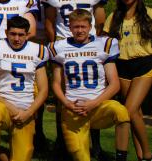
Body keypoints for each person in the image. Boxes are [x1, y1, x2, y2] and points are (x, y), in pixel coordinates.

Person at [50, 9, 130, 161]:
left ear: (90, 26)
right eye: (76, 27)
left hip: (98, 107)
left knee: (121, 112)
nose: (79, 30)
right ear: (70, 27)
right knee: (81, 156)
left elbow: (114, 84)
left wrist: (93, 103)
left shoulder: (104, 44)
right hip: (72, 109)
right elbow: (55, 83)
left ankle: (121, 158)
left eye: (83, 27)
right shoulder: (58, 47)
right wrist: (66, 103)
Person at [13, 0, 64, 150]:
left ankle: (62, 135)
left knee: (62, 85)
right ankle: (38, 132)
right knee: (35, 87)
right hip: (33, 38)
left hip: (57, 37)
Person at [104, 0, 152, 161]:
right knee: (136, 114)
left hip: (145, 64)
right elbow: (105, 42)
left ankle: (148, 153)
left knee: (129, 110)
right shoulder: (114, 16)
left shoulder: (149, 13)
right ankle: (141, 157)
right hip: (122, 66)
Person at [0, 16, 49, 161]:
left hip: (25, 110)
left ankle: (1, 155)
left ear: (28, 34)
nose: (17, 38)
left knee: (22, 156)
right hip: (1, 105)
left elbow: (43, 90)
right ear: (6, 33)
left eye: (21, 35)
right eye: (13, 34)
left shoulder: (38, 50)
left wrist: (29, 112)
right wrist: (11, 107)